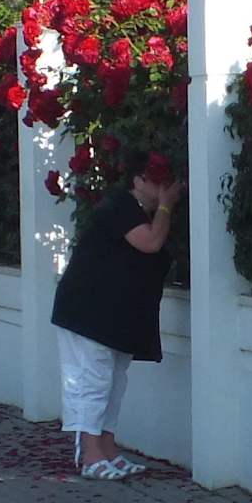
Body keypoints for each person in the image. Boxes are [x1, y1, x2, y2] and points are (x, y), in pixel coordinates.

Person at [49, 154, 180, 480]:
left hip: (113, 316)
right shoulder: (120, 206)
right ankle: (90, 455)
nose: (162, 188)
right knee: (92, 381)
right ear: (137, 180)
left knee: (114, 383)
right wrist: (166, 206)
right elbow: (150, 242)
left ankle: (107, 450)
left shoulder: (137, 212)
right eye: (156, 181)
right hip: (88, 312)